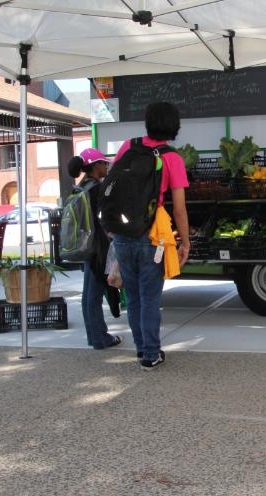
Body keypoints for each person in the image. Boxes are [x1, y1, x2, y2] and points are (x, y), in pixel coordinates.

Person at [111, 102, 190, 370]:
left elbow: (111, 187)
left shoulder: (127, 146)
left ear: (147, 122)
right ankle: (151, 353)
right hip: (152, 236)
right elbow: (178, 209)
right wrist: (186, 241)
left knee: (132, 296)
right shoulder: (172, 158)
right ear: (174, 126)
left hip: (122, 234)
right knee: (150, 298)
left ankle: (141, 347)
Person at [67, 148, 122, 350]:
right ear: (95, 165)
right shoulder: (96, 189)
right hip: (98, 246)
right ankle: (100, 338)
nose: (106, 166)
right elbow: (106, 218)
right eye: (104, 163)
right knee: (94, 294)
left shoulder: (80, 188)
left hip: (86, 245)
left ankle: (94, 335)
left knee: (89, 293)